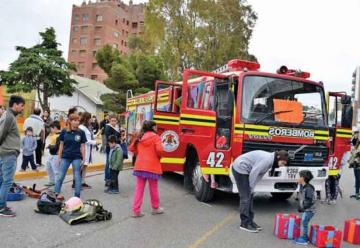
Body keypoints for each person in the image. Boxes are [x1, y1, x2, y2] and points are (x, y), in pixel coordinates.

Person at [232, 150, 289, 233]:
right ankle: (244, 223)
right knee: (245, 197)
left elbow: (260, 174)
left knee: (250, 196)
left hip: (247, 169)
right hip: (240, 168)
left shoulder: (271, 161)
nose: (282, 166)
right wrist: (251, 187)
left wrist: (252, 187)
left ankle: (250, 221)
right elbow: (254, 172)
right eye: (283, 163)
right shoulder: (267, 160)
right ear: (278, 158)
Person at [129, 120, 164, 218]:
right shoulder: (156, 137)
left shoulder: (140, 136)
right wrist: (159, 156)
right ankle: (155, 208)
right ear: (153, 128)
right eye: (156, 127)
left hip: (140, 166)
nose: (157, 128)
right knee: (153, 188)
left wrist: (140, 152)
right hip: (152, 166)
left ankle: (136, 211)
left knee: (139, 188)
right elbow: (160, 150)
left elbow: (131, 148)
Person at [0, 95, 25, 217]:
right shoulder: (9, 117)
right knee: (7, 181)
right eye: (21, 106)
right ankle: (1, 207)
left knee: (2, 180)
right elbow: (1, 134)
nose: (22, 108)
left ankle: (1, 204)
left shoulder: (8, 115)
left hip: (5, 153)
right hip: (8, 153)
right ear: (15, 105)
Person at [55, 114, 86, 198]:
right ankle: (56, 193)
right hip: (65, 157)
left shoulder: (81, 132)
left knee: (77, 176)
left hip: (76, 157)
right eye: (74, 120)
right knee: (60, 176)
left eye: (78, 120)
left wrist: (83, 158)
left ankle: (77, 196)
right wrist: (59, 157)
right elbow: (61, 145)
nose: (77, 122)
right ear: (70, 121)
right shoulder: (64, 131)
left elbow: (82, 146)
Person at [294, 170, 316, 245]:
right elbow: (301, 196)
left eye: (299, 177)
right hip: (306, 209)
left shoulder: (309, 188)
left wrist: (303, 207)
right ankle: (304, 237)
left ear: (302, 178)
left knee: (304, 223)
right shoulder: (303, 186)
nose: (297, 178)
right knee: (304, 222)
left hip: (309, 210)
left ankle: (305, 239)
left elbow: (310, 200)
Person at [79, 112, 98, 189]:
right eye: (90, 118)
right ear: (86, 119)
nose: (91, 120)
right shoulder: (81, 127)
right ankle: (77, 183)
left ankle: (82, 182)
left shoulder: (87, 127)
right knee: (81, 166)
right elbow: (85, 140)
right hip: (83, 149)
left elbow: (91, 136)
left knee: (85, 166)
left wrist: (96, 136)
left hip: (88, 149)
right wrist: (95, 142)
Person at [104, 114, 121, 186]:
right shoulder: (108, 127)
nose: (114, 122)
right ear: (109, 120)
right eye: (112, 121)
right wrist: (117, 140)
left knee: (113, 163)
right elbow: (109, 138)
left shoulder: (117, 127)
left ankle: (111, 179)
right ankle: (107, 179)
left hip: (116, 148)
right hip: (110, 148)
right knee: (109, 163)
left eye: (115, 121)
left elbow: (119, 137)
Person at [45, 121, 61, 187]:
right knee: (48, 167)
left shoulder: (59, 135)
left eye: (51, 128)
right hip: (51, 154)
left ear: (54, 128)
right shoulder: (53, 135)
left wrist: (49, 146)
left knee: (56, 171)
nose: (50, 130)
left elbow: (57, 147)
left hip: (56, 155)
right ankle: (52, 181)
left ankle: (57, 185)